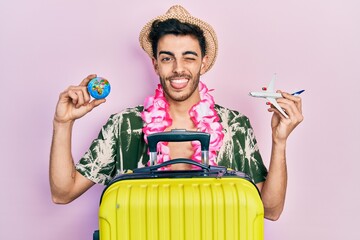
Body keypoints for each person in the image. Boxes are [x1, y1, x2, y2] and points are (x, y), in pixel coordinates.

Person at [49, 5, 303, 221]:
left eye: (189, 58)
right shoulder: (124, 125)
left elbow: (270, 210)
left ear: (203, 62)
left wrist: (279, 141)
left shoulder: (234, 126)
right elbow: (63, 193)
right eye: (167, 58)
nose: (178, 68)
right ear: (155, 63)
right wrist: (62, 123)